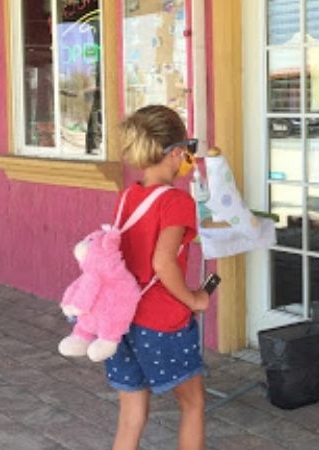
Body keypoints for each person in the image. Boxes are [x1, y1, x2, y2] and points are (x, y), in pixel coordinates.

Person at [106, 105, 210, 450]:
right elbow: (163, 263)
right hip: (161, 321)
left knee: (131, 414)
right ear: (177, 151)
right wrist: (194, 298)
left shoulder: (128, 197)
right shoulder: (176, 202)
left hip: (121, 321)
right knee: (192, 404)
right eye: (188, 151)